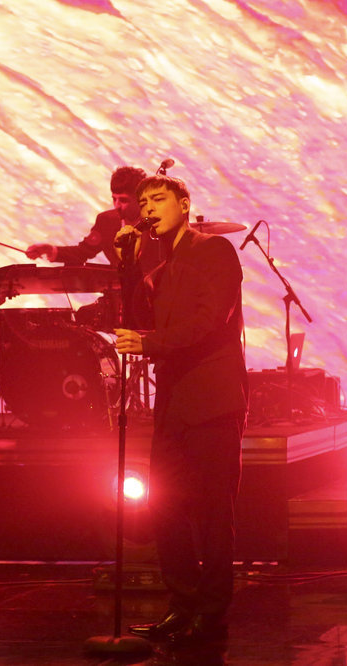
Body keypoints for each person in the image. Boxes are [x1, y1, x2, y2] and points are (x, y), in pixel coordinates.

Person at [114, 175, 247, 644]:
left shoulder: (214, 251)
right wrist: (129, 266)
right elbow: (138, 319)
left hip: (212, 399)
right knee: (164, 506)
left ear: (184, 205)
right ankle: (182, 605)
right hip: (174, 402)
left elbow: (211, 320)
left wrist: (150, 344)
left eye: (158, 199)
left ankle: (210, 614)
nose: (148, 208)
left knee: (212, 513)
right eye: (143, 202)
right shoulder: (161, 267)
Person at [25, 165, 151, 266]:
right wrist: (50, 250)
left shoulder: (156, 222)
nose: (117, 205)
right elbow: (83, 252)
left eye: (123, 200)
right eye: (114, 199)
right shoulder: (106, 221)